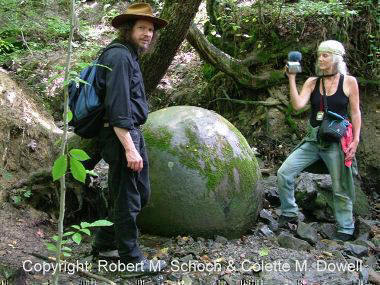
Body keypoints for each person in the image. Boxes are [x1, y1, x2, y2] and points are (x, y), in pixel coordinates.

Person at [91, 3, 168, 274]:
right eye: (141, 28)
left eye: (150, 29)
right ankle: (131, 262)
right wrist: (130, 149)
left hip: (128, 132)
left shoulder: (127, 55)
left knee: (136, 193)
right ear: (128, 29)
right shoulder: (120, 57)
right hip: (121, 134)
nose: (147, 33)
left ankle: (104, 244)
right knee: (129, 199)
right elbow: (118, 108)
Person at [277, 40, 361, 241]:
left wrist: (355, 140)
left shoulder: (349, 82)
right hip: (313, 140)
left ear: (336, 58)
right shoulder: (312, 82)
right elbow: (297, 106)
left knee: (340, 186)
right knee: (284, 173)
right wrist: (292, 78)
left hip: (336, 142)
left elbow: (356, 113)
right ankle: (289, 213)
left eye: (325, 55)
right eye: (319, 55)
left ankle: (346, 228)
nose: (321, 59)